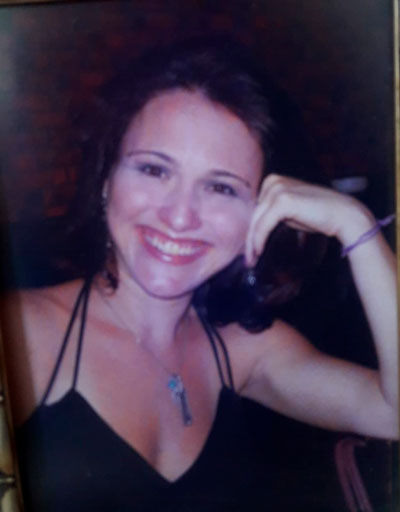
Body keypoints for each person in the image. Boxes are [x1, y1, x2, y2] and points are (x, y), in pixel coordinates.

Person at [2, 36, 397, 511]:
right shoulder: (25, 333)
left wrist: (356, 224)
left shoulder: (243, 351)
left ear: (260, 211)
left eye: (221, 188)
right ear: (107, 179)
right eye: (154, 170)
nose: (180, 216)